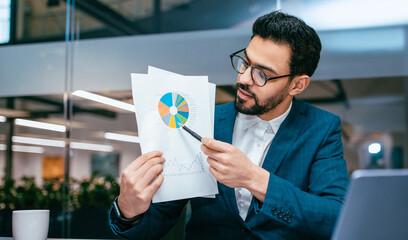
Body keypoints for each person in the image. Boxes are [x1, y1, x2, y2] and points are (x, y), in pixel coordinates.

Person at [109, 11, 349, 240]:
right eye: (245, 63)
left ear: (297, 85)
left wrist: (254, 178)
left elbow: (335, 217)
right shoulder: (203, 120)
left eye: (262, 75)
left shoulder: (321, 129)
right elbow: (156, 222)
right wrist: (128, 210)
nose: (244, 78)